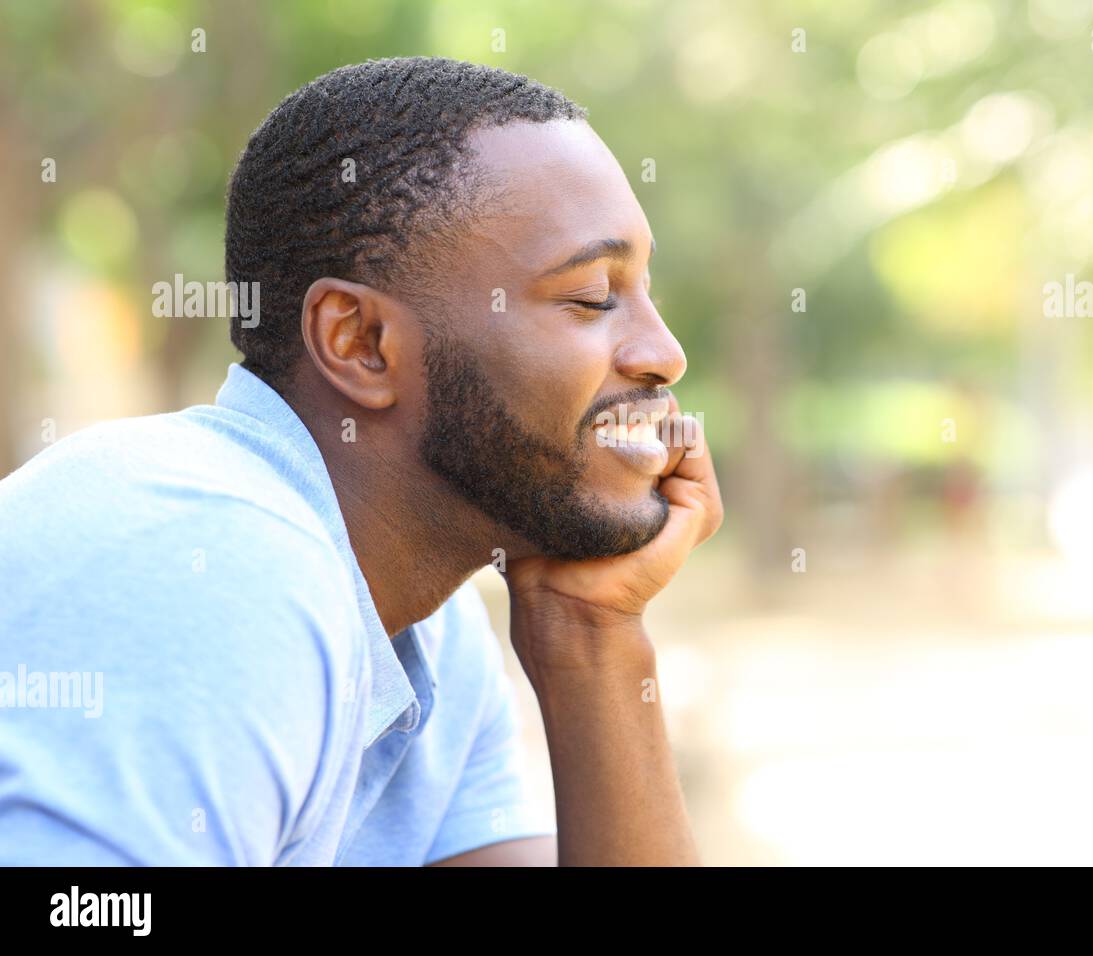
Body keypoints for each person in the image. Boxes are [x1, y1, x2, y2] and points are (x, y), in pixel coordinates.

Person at [0, 56, 722, 866]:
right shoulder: (207, 560)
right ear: (361, 343)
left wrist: (594, 633)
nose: (665, 353)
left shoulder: (426, 629)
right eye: (593, 297)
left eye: (646, 292)